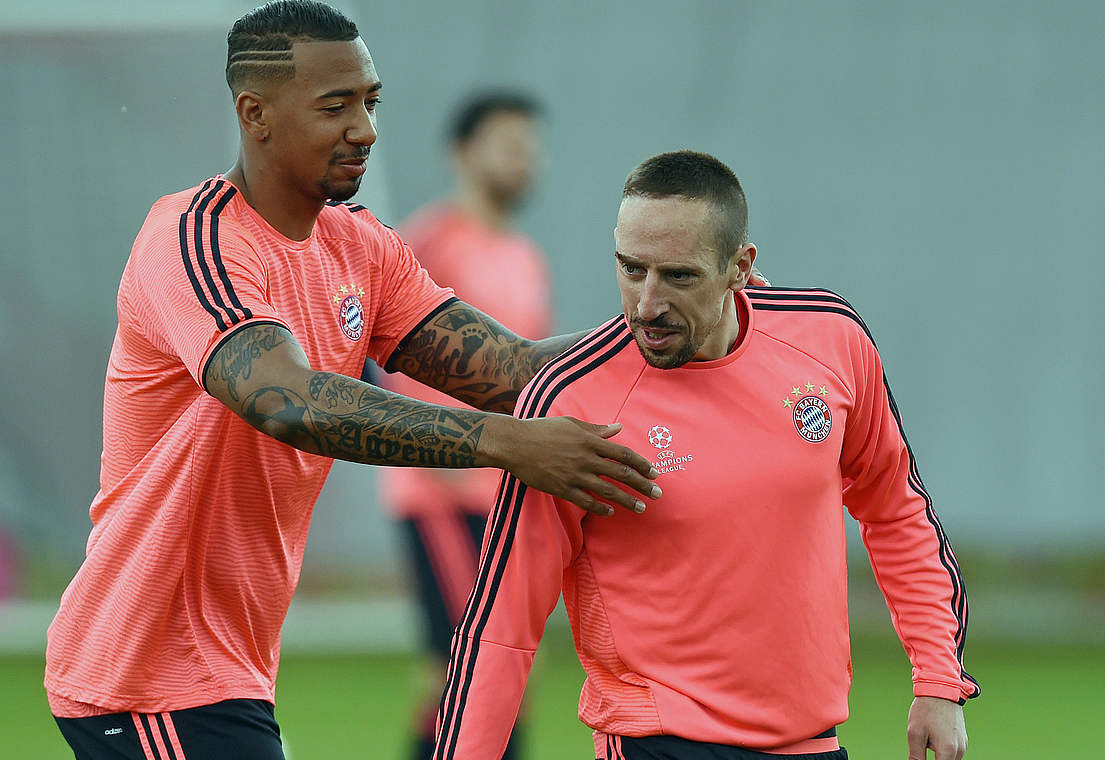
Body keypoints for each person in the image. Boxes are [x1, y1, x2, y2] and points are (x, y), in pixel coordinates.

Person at [44, 3, 660, 758]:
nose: (364, 128)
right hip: (143, 670)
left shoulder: (361, 248)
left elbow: (516, 370)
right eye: (336, 106)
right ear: (255, 114)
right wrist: (509, 444)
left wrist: (670, 320)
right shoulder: (192, 238)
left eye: (370, 102)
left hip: (222, 672)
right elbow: (286, 401)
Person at [433, 151, 979, 760]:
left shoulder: (830, 340)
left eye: (679, 276)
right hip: (657, 742)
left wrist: (938, 680)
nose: (647, 303)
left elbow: (896, 510)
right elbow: (501, 624)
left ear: (740, 266)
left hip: (811, 744)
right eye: (631, 269)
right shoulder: (573, 398)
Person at [381, 90, 552, 760]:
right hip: (444, 497)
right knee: (475, 671)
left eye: (531, 147)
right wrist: (434, 467)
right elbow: (383, 357)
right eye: (509, 144)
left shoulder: (525, 258)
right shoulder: (429, 243)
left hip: (508, 495)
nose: (525, 160)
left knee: (488, 674)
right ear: (462, 153)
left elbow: (530, 383)